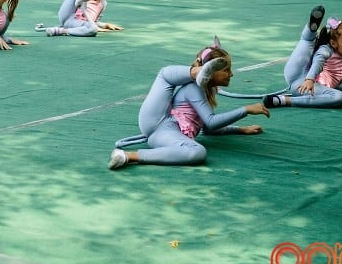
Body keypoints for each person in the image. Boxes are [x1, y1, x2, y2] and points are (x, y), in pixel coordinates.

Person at [107, 42, 269, 170]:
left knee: (196, 151)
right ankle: (128, 156)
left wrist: (241, 129)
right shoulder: (194, 88)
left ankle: (128, 156)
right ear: (211, 72)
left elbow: (207, 128)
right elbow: (211, 122)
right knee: (164, 75)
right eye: (226, 70)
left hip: (165, 132)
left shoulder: (202, 90)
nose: (231, 74)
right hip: (158, 123)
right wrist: (245, 110)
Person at [262, 6, 342, 108]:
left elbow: (333, 83)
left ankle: (279, 100)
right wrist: (310, 80)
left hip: (311, 86)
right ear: (333, 43)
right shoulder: (326, 49)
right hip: (301, 78)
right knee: (307, 42)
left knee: (338, 97)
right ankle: (311, 29)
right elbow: (318, 62)